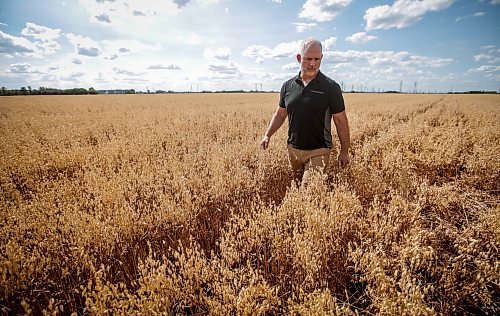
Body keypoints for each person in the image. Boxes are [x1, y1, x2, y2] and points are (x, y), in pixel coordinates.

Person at [260, 38, 350, 184]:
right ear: (299, 58)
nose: (313, 63)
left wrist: (344, 151)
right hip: (293, 150)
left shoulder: (331, 88)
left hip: (319, 150)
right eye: (308, 59)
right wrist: (267, 135)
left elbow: (340, 120)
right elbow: (280, 113)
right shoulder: (288, 86)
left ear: (322, 58)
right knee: (296, 188)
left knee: (308, 191)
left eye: (317, 59)